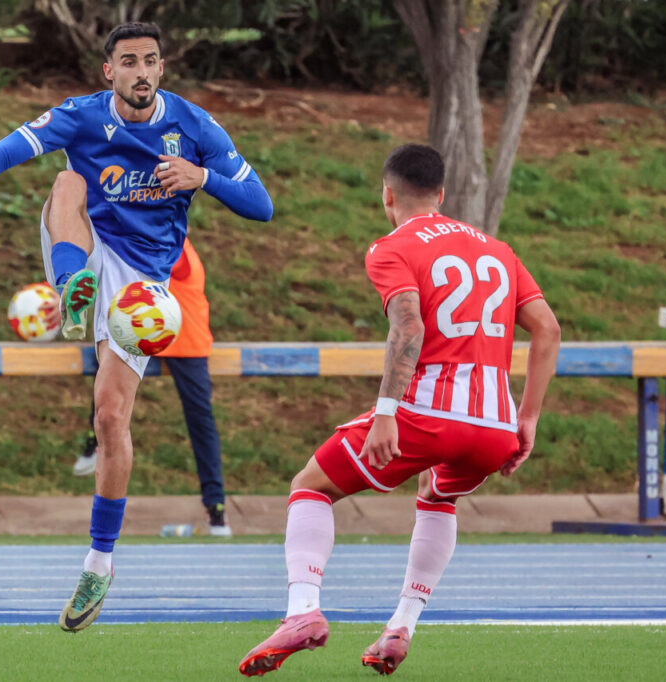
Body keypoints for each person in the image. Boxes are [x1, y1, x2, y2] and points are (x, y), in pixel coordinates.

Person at [0, 22, 272, 633]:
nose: (142, 72)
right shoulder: (80, 117)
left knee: (109, 417)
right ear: (110, 72)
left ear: (162, 68)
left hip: (144, 285)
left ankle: (100, 561)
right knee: (66, 179)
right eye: (129, 62)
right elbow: (4, 151)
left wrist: (204, 178)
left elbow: (262, 205)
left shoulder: (195, 127)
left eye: (151, 60)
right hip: (86, 244)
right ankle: (73, 293)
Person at [237, 144, 560, 677]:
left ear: (387, 195)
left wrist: (386, 410)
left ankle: (302, 613)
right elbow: (548, 329)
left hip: (426, 415)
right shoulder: (498, 250)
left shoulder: (392, 247)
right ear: (443, 193)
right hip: (495, 426)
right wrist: (526, 419)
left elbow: (408, 326)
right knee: (437, 495)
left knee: (311, 486)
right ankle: (401, 626)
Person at [72, 237, 232, 537]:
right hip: (151, 332)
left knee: (200, 421)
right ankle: (92, 444)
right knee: (107, 378)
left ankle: (216, 507)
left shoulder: (170, 242)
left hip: (182, 339)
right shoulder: (157, 236)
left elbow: (135, 272)